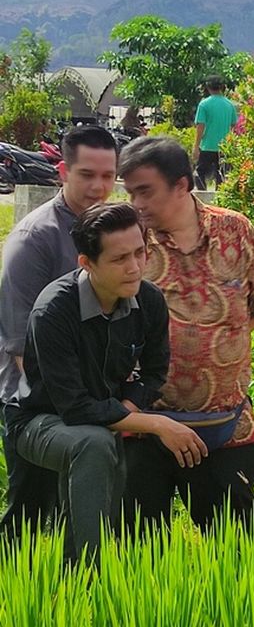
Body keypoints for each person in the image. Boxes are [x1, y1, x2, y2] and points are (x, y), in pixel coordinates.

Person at [5, 203, 205, 568]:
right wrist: (156, 423)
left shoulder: (149, 300)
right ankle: (85, 577)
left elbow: (155, 372)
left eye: (140, 253)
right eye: (119, 259)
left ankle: (95, 575)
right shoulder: (53, 312)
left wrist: (129, 407)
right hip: (38, 422)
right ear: (87, 263)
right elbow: (75, 408)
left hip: (101, 418)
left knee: (100, 448)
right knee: (94, 442)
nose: (134, 267)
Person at [118, 137, 254, 535]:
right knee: (134, 550)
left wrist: (217, 344)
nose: (136, 203)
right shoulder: (126, 241)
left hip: (224, 426)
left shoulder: (235, 231)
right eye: (130, 192)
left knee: (233, 549)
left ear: (182, 185)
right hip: (142, 425)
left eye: (145, 191)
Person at [0, 125, 119, 535]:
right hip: (37, 407)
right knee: (29, 523)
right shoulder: (37, 239)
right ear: (63, 171)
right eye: (87, 175)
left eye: (108, 176)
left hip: (92, 406)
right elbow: (21, 351)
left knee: (88, 521)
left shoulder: (113, 235)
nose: (99, 186)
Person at [193, 76, 239, 190]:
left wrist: (196, 146)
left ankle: (203, 196)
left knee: (199, 174)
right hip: (224, 148)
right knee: (222, 176)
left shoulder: (204, 104)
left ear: (208, 88)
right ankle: (219, 200)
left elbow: (200, 126)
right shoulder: (229, 105)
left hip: (207, 146)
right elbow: (233, 125)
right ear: (222, 87)